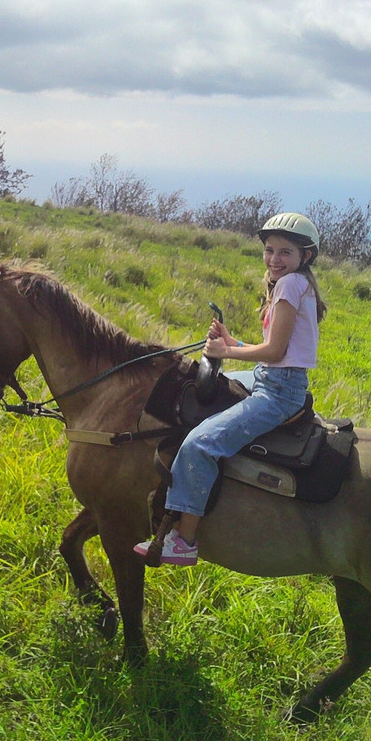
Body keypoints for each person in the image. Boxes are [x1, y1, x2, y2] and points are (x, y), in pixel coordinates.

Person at [134, 212, 327, 566]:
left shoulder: (289, 285)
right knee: (214, 387)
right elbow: (275, 351)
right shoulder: (297, 283)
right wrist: (232, 341)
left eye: (285, 252)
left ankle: (185, 540)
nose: (274, 259)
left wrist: (225, 352)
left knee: (200, 443)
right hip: (271, 376)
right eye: (269, 250)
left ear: (306, 255)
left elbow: (275, 352)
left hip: (278, 391)